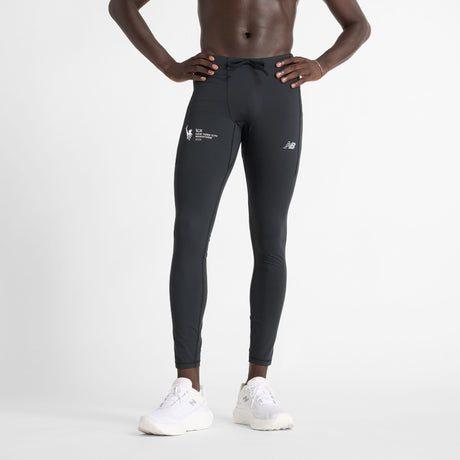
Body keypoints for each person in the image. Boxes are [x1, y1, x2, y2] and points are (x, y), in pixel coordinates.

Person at [108, 0, 371, 435]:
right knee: (190, 233)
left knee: (271, 239)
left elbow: (357, 25)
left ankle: (256, 386)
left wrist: (322, 65)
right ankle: (188, 389)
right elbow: (122, 6)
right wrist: (169, 66)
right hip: (215, 87)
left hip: (278, 89)